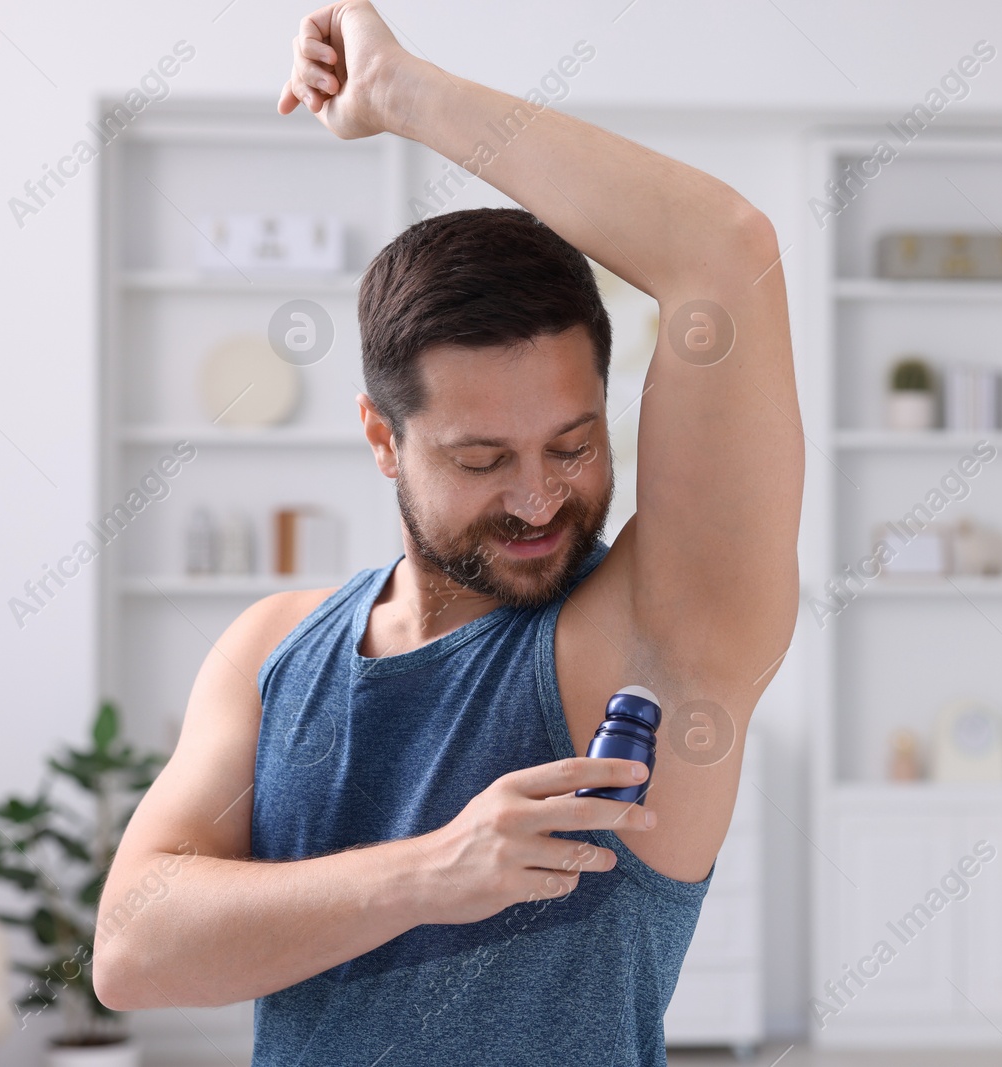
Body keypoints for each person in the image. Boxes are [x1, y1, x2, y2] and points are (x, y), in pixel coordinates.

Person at [93, 3, 801, 1063]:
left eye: (571, 444)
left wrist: (401, 94)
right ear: (382, 436)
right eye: (481, 459)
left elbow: (723, 249)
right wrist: (432, 872)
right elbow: (132, 947)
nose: (535, 498)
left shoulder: (654, 637)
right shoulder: (272, 650)